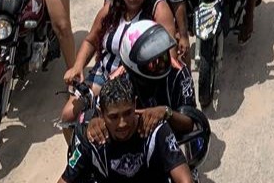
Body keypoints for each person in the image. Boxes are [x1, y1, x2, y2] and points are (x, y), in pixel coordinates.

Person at [60, 0, 177, 142]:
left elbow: (168, 49)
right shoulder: (111, 10)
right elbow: (91, 40)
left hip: (138, 80)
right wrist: (77, 66)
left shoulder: (157, 10)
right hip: (103, 75)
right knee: (68, 116)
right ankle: (78, 153)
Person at [60, 76, 194, 183]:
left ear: (135, 104)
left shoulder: (155, 130)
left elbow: (185, 179)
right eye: (114, 117)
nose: (122, 123)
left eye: (128, 113)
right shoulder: (92, 137)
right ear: (101, 113)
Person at [83, 22, 196, 143]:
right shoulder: (117, 79)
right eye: (152, 62)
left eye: (163, 56)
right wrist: (94, 124)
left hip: (173, 142)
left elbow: (191, 123)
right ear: (133, 64)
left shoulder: (179, 72)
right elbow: (97, 114)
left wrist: (166, 113)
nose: (160, 64)